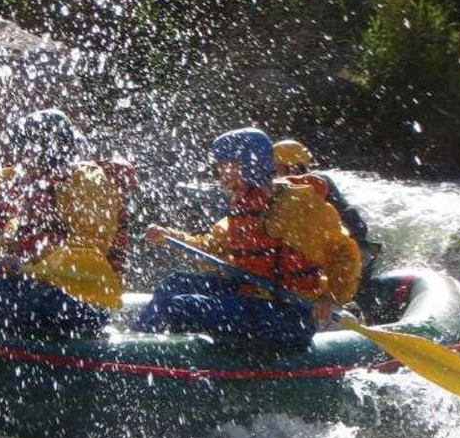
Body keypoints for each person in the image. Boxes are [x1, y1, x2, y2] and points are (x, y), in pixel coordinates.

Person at [135, 128, 361, 346]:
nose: (220, 175)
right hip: (251, 296)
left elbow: (344, 254)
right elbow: (211, 247)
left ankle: (144, 358)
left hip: (287, 314)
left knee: (179, 307)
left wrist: (330, 299)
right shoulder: (244, 204)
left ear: (249, 165)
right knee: (174, 282)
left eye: (226, 166)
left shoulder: (295, 207)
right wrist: (169, 235)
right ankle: (139, 340)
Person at [0, 109, 128, 334]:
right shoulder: (31, 178)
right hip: (37, 287)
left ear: (48, 149)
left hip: (82, 302)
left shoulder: (86, 181)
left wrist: (30, 269)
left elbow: (89, 250)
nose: (20, 155)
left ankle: (6, 350)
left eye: (25, 148)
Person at [273, 139, 379, 278]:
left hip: (353, 248)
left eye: (275, 168)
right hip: (332, 247)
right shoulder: (287, 190)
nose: (271, 173)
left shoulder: (317, 181)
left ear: (292, 167)